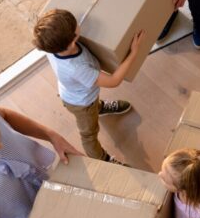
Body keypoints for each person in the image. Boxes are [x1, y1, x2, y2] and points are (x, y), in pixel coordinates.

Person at [33, 8, 142, 164]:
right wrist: (133, 53)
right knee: (89, 134)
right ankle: (102, 159)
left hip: (80, 93)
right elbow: (114, 81)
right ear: (72, 41)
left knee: (94, 105)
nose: (78, 23)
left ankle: (99, 108)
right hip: (82, 104)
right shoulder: (76, 68)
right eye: (75, 24)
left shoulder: (51, 45)